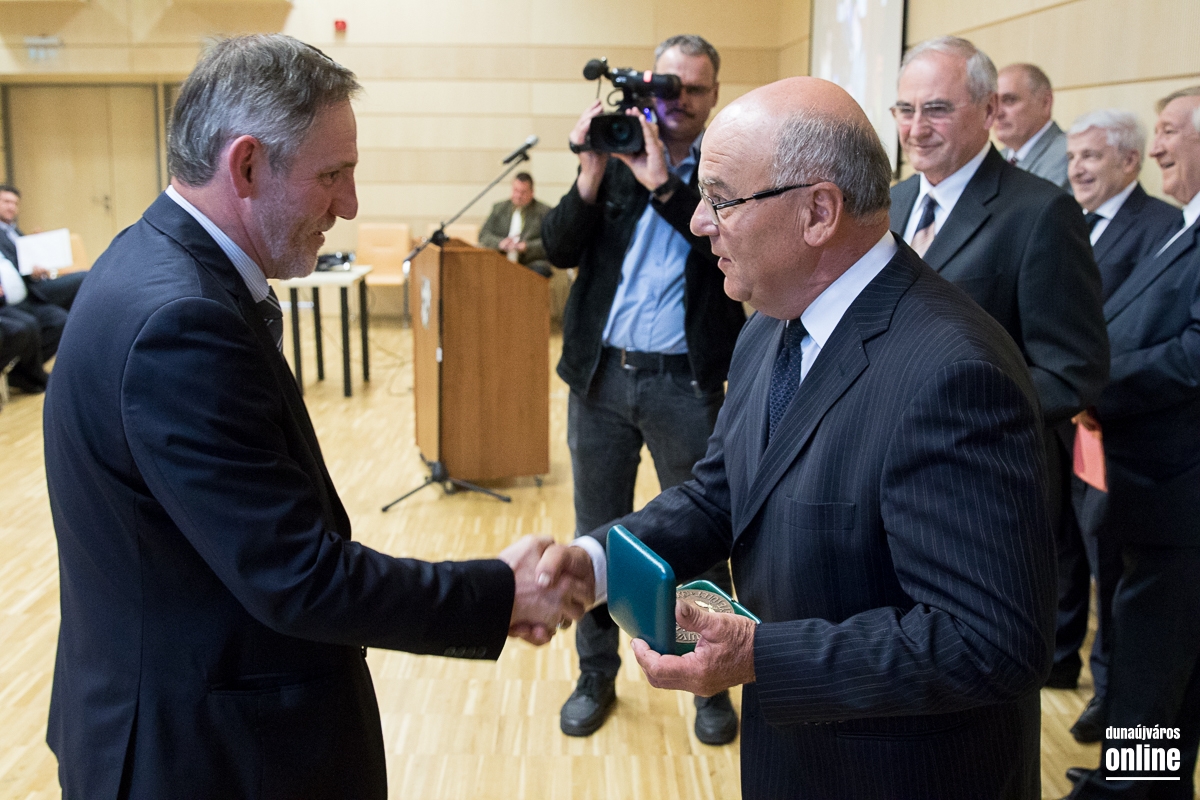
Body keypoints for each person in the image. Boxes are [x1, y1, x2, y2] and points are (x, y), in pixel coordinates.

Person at [42, 35, 589, 800]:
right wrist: (500, 592)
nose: (350, 204)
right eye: (332, 175)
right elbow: (297, 575)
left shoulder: (149, 260)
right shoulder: (181, 323)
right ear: (246, 166)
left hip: (176, 717)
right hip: (206, 753)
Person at [541, 75, 1055, 800]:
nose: (698, 222)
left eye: (721, 199)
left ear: (818, 212)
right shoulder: (769, 324)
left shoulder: (953, 373)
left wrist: (762, 656)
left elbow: (993, 641)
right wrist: (595, 563)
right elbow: (720, 494)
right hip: (792, 753)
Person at [542, 34, 747, 743]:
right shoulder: (618, 156)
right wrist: (590, 173)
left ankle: (709, 680)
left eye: (694, 88)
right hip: (601, 378)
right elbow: (558, 247)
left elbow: (724, 250)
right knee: (595, 535)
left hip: (685, 384)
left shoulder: (729, 171)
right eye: (667, 86)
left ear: (714, 96)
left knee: (701, 539)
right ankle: (595, 672)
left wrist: (665, 184)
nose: (678, 100)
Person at [889, 37, 1108, 695]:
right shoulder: (892, 203)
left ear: (987, 111)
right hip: (886, 479)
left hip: (982, 492)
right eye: (904, 110)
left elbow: (1073, 372)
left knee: (973, 682)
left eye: (936, 109)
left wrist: (957, 408)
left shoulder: (1040, 211)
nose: (916, 129)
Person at [1063, 86, 1200, 800]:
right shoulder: (1186, 225)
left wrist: (1097, 384)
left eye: (1171, 130)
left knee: (1153, 664)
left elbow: (1195, 353)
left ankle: (1127, 791)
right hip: (1153, 488)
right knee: (1165, 669)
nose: (1158, 146)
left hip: (1177, 496)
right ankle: (1144, 785)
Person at [0, 185, 87, 311]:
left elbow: (25, 258)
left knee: (81, 279)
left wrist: (36, 245)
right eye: (7, 202)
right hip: (30, 290)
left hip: (41, 280)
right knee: (84, 277)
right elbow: (12, 267)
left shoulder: (15, 231)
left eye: (15, 203)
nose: (11, 207)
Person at [994, 63, 1071, 190]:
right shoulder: (994, 161)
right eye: (994, 102)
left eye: (1009, 100)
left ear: (1045, 103)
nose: (997, 113)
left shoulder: (1071, 154)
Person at [478, 172, 553, 276]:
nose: (518, 196)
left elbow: (551, 241)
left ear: (532, 192)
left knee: (539, 272)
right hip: (501, 259)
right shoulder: (499, 209)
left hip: (531, 262)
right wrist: (500, 243)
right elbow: (484, 235)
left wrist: (526, 247)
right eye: (516, 191)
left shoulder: (544, 212)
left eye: (523, 192)